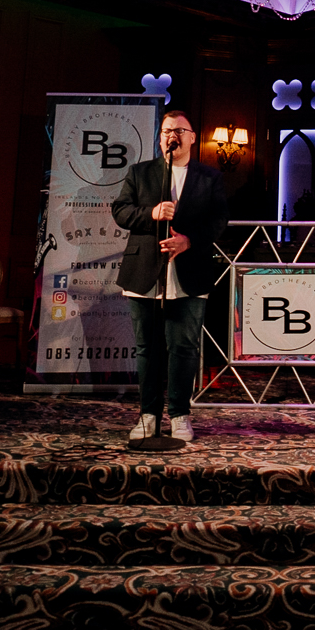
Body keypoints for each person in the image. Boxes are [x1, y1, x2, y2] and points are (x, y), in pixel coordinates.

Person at [111, 109, 228, 443]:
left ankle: (179, 414)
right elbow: (120, 210)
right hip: (144, 271)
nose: (171, 136)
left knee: (184, 347)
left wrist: (187, 241)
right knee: (147, 348)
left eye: (178, 130)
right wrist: (151, 213)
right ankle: (148, 415)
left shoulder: (209, 177)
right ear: (160, 137)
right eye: (165, 131)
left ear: (191, 137)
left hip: (189, 272)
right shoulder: (141, 173)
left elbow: (219, 220)